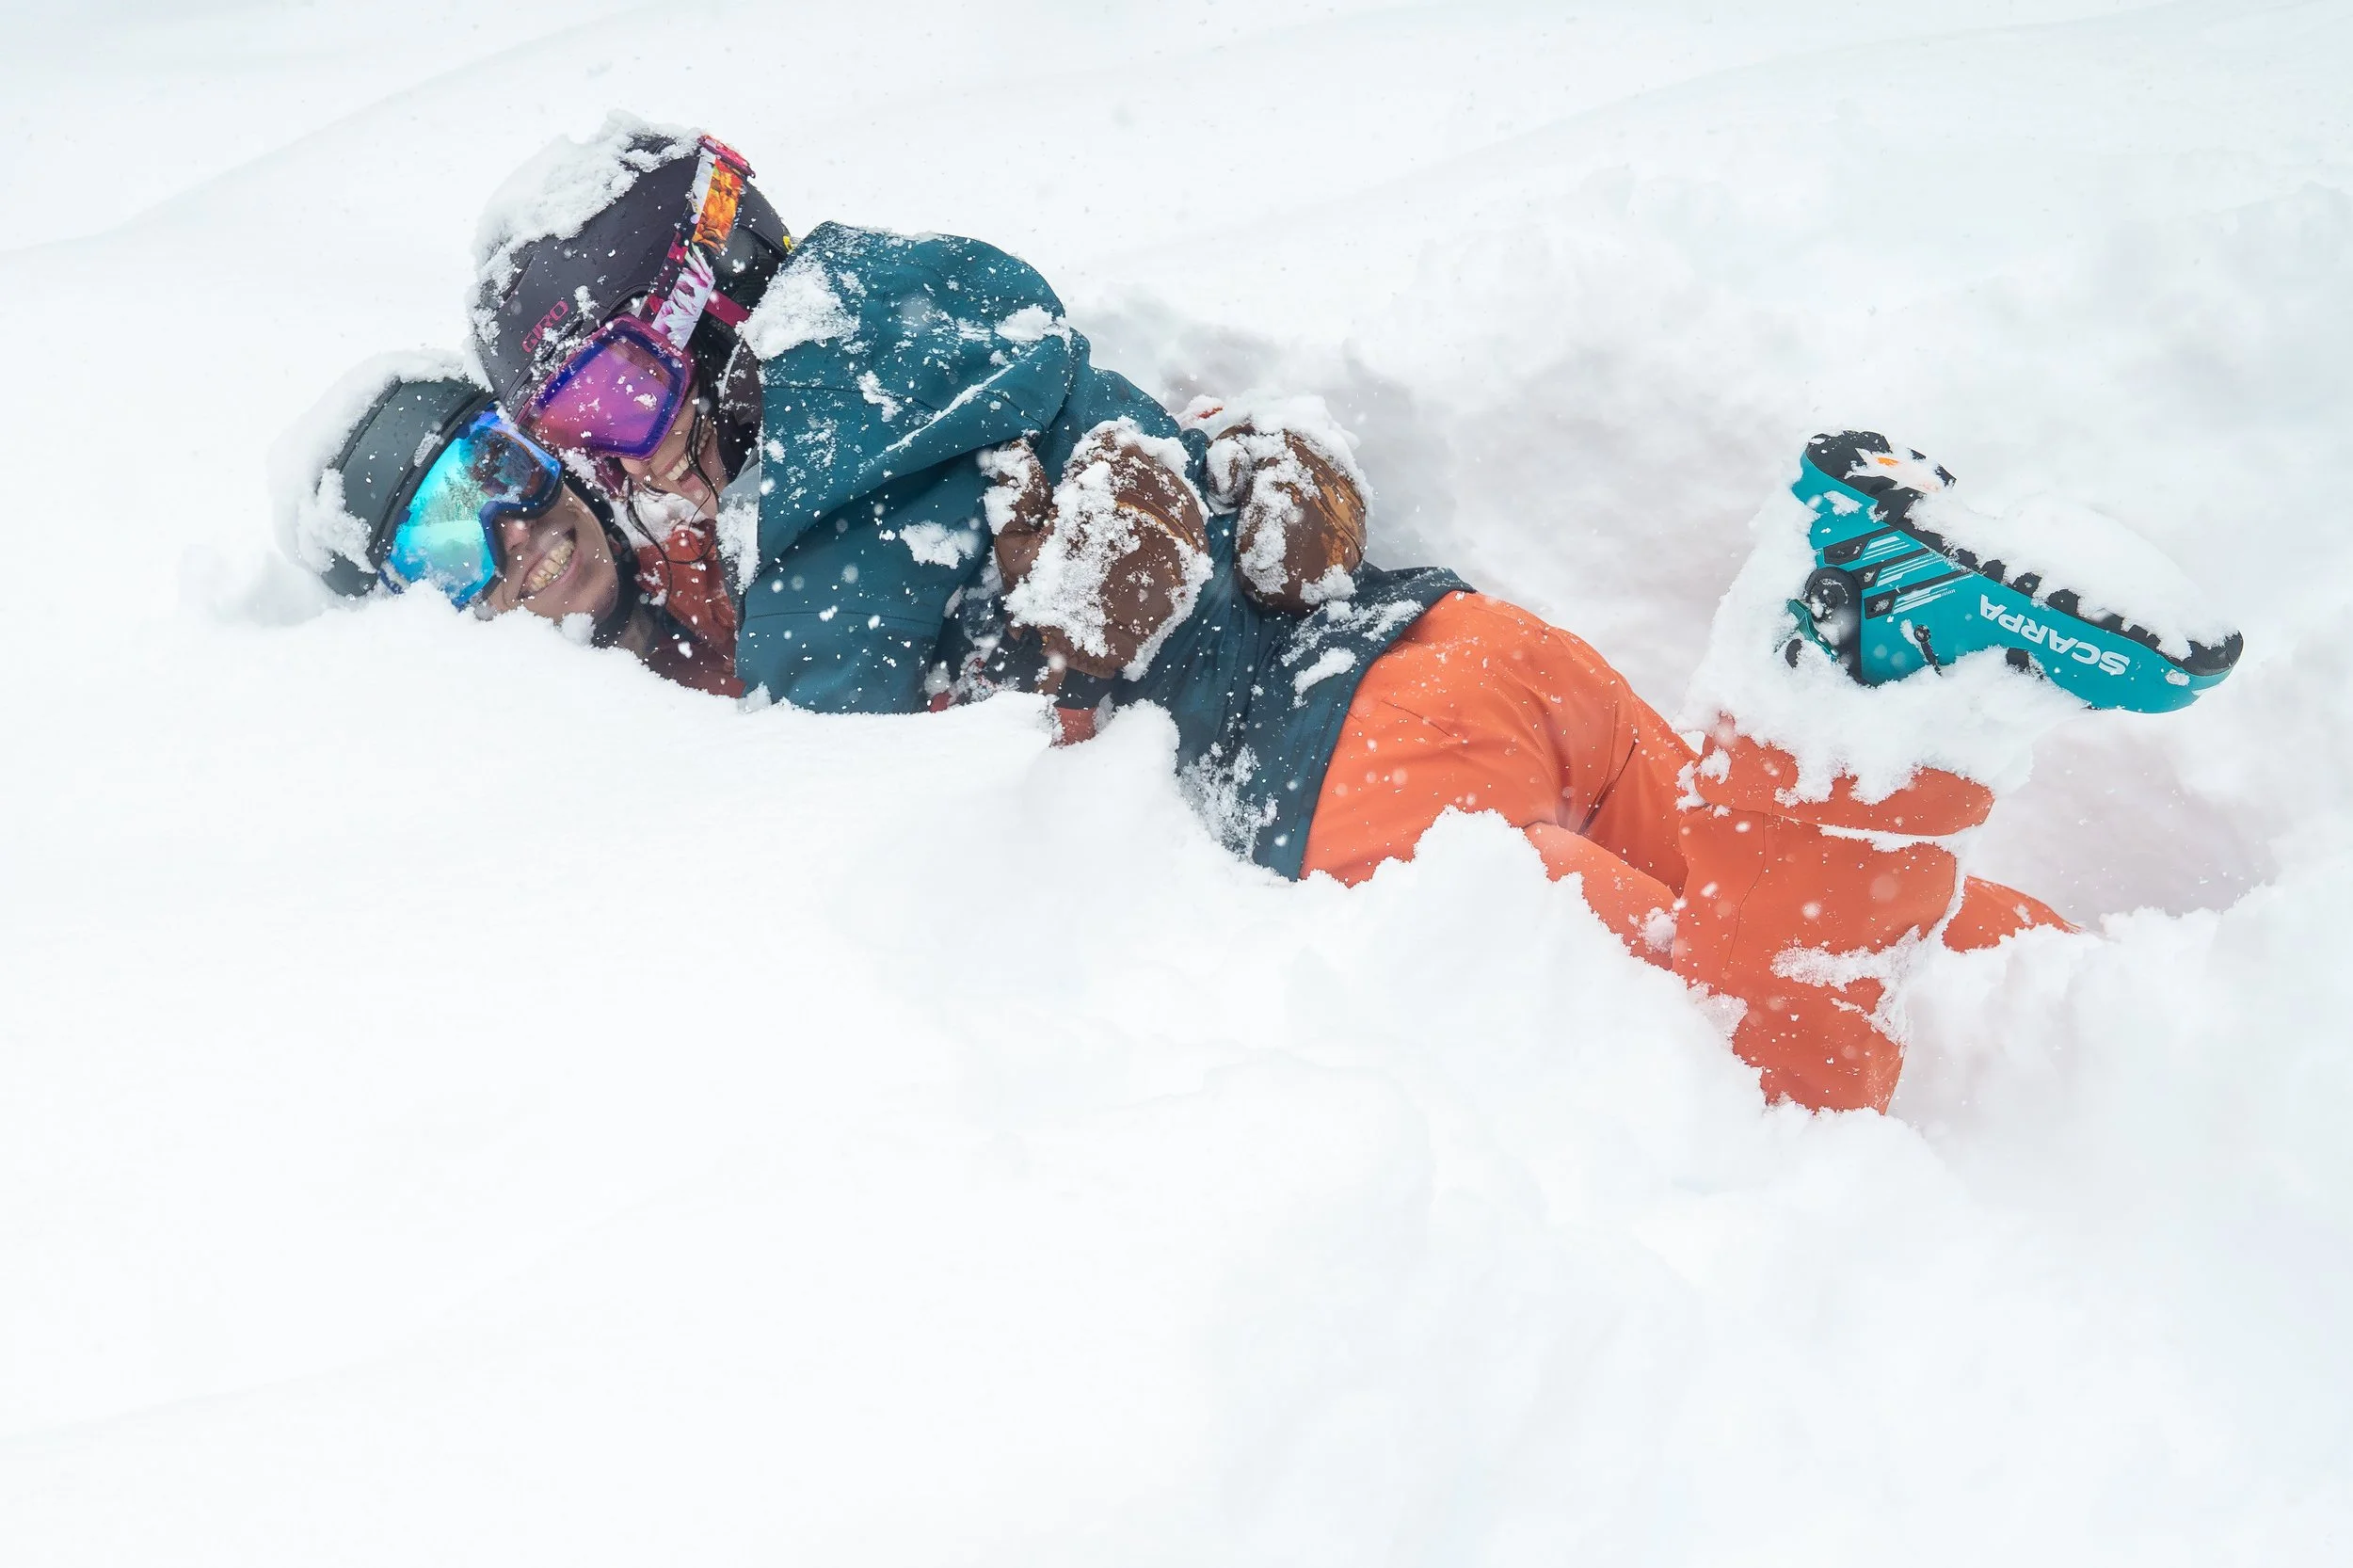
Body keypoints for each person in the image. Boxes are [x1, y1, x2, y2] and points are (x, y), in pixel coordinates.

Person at [298, 117, 2242, 1113]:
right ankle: (2206, 1044)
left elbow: (902, 856)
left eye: (611, 410)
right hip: (1471, 652)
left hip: (1353, 786)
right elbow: (1145, 443)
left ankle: (1838, 683)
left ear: (703, 317)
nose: (617, 469)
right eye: (570, 443)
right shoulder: (946, 297)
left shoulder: (811, 555)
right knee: (1971, 989)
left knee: (1756, 1062)